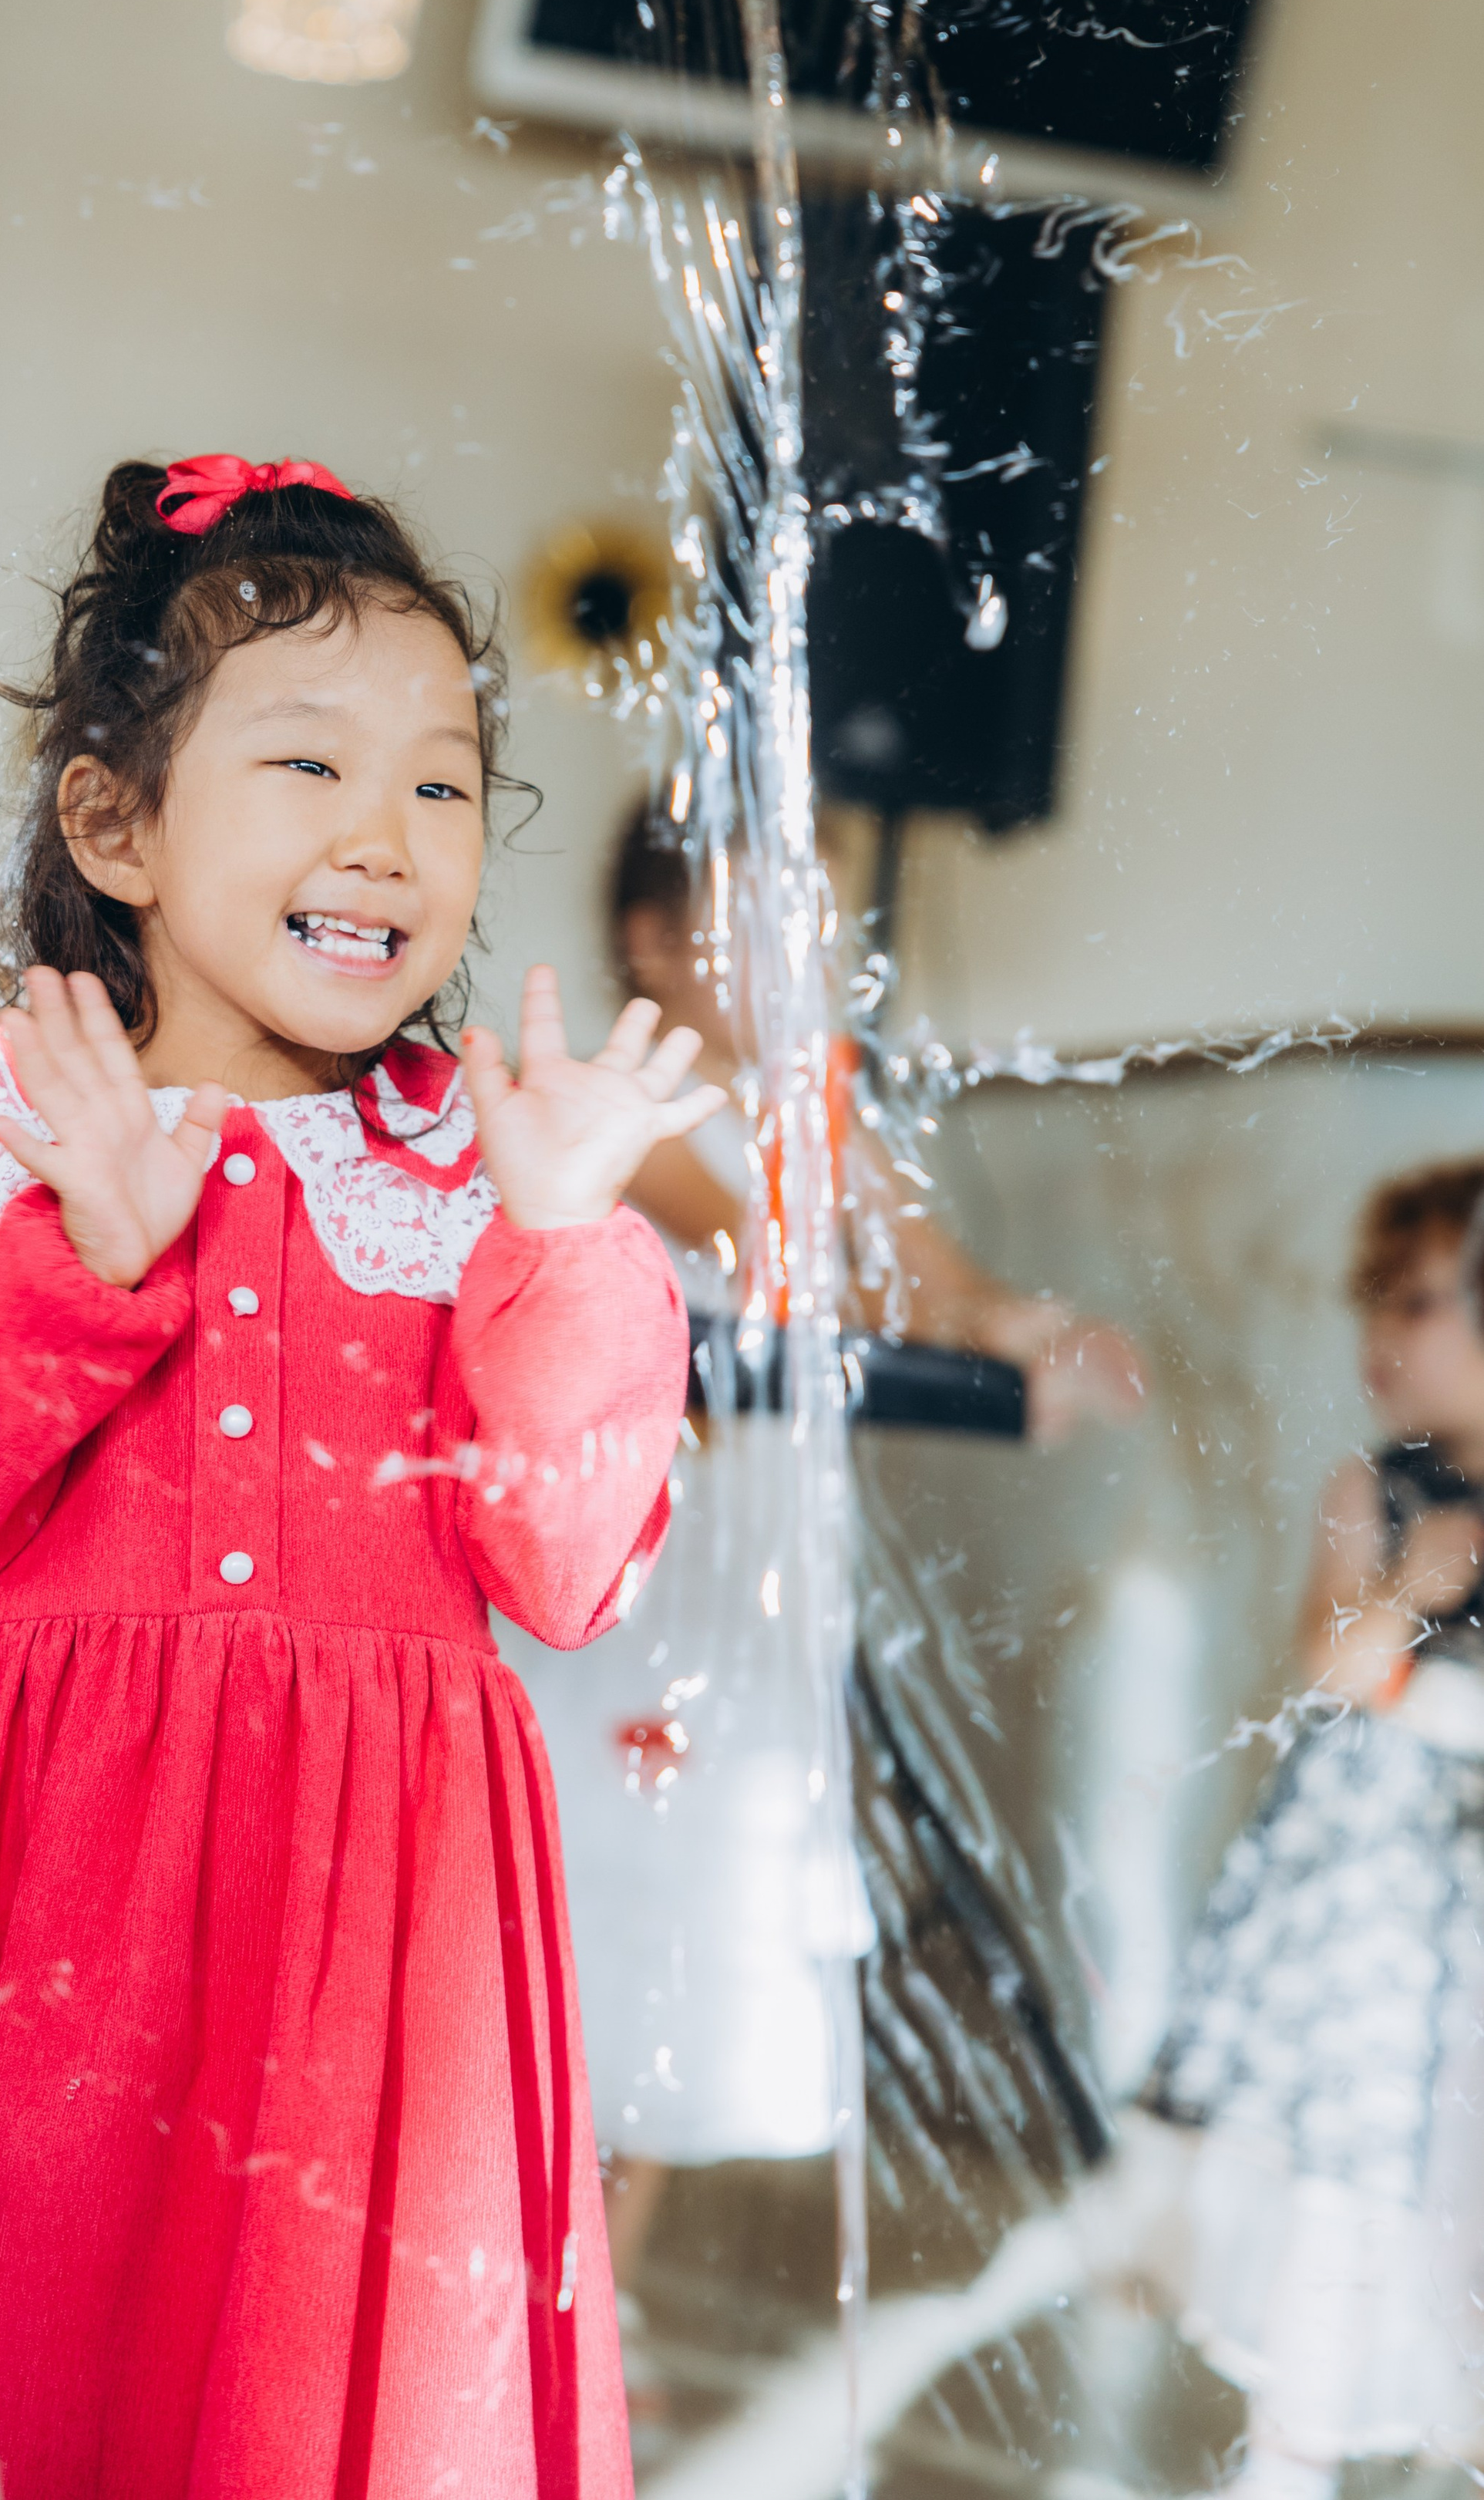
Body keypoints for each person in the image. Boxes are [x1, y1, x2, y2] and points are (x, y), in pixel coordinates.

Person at [0, 454, 721, 2500]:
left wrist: (557, 1238)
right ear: (115, 821)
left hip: (374, 1959)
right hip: (14, 1908)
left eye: (443, 785)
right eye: (308, 765)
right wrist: (80, 1265)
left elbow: (568, 1569)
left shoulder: (483, 1172)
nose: (387, 836)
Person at [510, 798, 1144, 2304]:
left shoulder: (815, 1123)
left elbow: (933, 1283)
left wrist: (1024, 1332)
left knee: (671, 1991)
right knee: (579, 1968)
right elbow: (773, 1255)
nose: (809, 953)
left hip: (748, 1595)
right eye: (766, 917)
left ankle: (590, 2352)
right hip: (625, 1593)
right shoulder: (618, 1103)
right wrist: (881, 1248)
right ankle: (506, 2342)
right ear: (655, 942)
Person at [1132, 1156, 1484, 2499]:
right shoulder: (1377, 1487)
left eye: (1420, 1306)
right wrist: (1406, 1592)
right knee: (1340, 2163)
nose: (1382, 1339)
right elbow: (1325, 1666)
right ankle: (1295, 2442)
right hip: (1368, 1897)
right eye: (1371, 1306)